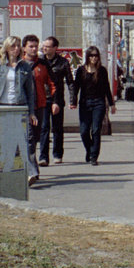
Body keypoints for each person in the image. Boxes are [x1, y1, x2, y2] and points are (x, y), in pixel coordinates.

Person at [0, 36, 39, 183]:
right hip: (1, 106)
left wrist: (31, 112)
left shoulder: (25, 66)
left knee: (23, 140)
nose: (16, 49)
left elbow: (30, 91)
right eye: (13, 46)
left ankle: (31, 173)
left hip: (19, 106)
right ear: (7, 48)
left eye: (18, 46)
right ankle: (6, 173)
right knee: (4, 142)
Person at [69, 45, 116, 165]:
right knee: (84, 131)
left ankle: (94, 157)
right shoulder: (81, 70)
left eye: (96, 56)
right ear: (87, 57)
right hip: (85, 103)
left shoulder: (102, 71)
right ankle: (89, 150)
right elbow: (76, 87)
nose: (94, 58)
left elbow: (106, 88)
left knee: (95, 130)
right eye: (91, 56)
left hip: (99, 103)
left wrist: (112, 104)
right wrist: (73, 101)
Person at [21, 34, 55, 180]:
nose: (34, 49)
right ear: (24, 48)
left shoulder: (42, 64)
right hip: (23, 107)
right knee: (28, 139)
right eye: (31, 46)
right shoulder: (19, 64)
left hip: (39, 106)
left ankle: (32, 169)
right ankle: (32, 171)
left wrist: (52, 99)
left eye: (36, 46)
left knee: (33, 139)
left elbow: (52, 83)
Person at [36, 36, 72, 165]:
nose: (44, 48)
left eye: (48, 46)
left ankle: (57, 154)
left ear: (55, 48)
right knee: (44, 127)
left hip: (57, 99)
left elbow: (69, 82)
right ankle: (43, 157)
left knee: (57, 128)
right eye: (44, 46)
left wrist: (72, 100)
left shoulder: (63, 62)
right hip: (43, 99)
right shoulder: (39, 62)